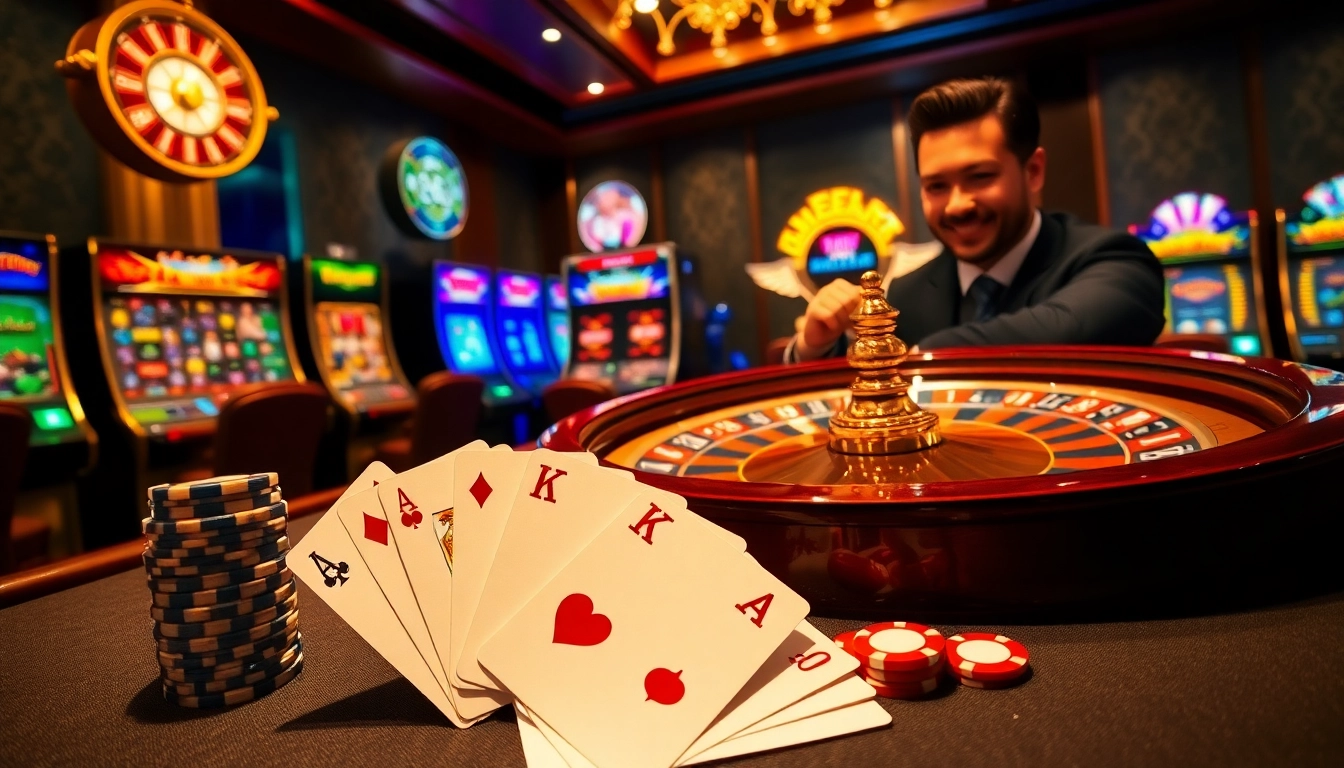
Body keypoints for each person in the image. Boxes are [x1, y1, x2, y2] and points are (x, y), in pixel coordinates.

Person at [786, 76, 1165, 363]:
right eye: (936, 186)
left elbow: (1067, 330)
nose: (956, 205)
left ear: (1033, 171)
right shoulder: (907, 295)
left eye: (980, 177)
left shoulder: (1114, 261)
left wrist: (918, 357)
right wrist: (814, 346)